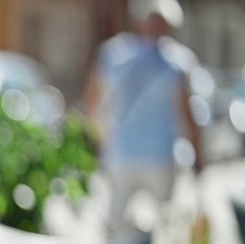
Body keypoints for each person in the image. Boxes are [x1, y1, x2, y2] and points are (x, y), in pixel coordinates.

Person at [84, 0, 202, 231]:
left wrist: (100, 141)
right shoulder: (178, 60)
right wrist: (199, 153)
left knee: (115, 223)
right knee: (165, 224)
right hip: (160, 156)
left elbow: (92, 102)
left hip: (121, 153)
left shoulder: (114, 53)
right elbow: (187, 113)